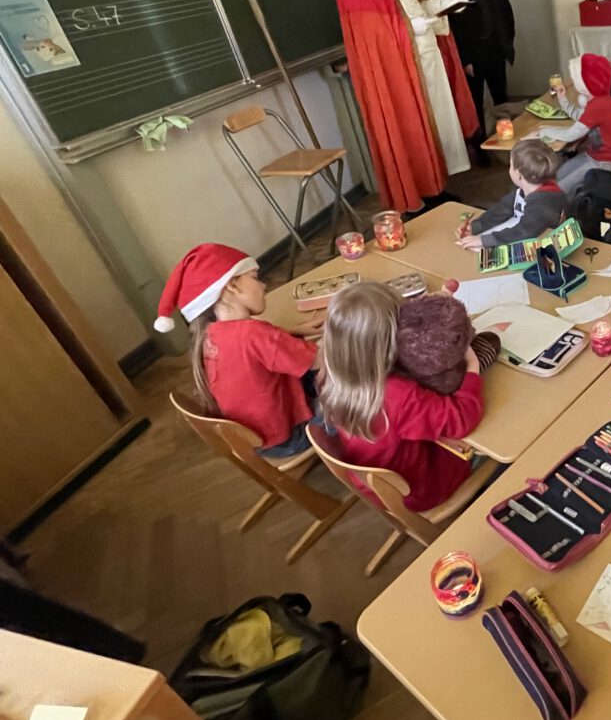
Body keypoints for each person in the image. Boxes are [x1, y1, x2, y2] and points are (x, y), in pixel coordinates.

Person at [337, 0, 475, 211]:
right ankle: (421, 196)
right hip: (399, 73)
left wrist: (440, 5)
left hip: (421, 61)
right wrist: (418, 26)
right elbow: (379, 37)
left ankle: (436, 185)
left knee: (434, 125)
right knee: (412, 129)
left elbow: (410, 6)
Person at [318, 282, 485, 512]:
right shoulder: (397, 394)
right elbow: (462, 419)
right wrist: (473, 367)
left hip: (383, 487)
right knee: (500, 448)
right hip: (423, 488)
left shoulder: (333, 373)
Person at [155, 244, 321, 458]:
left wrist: (290, 332)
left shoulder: (210, 335)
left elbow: (252, 348)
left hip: (260, 442)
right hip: (291, 438)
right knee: (355, 390)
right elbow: (322, 360)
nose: (263, 285)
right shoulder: (255, 335)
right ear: (231, 286)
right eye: (255, 278)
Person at [438, 0, 516, 162]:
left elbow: (505, 10)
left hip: (496, 48)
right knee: (474, 102)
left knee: (501, 97)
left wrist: (507, 40)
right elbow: (451, 26)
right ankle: (481, 148)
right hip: (472, 54)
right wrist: (465, 59)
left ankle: (506, 142)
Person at [455, 140, 565, 249]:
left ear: (518, 174)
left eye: (511, 165)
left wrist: (484, 240)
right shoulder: (523, 189)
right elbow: (503, 208)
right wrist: (476, 226)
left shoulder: (542, 205)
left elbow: (523, 231)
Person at [544, 53, 611, 198]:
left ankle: (570, 209)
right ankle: (575, 202)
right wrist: (563, 99)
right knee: (560, 174)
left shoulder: (599, 105)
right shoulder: (597, 99)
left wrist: (545, 131)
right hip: (593, 155)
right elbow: (580, 118)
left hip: (604, 162)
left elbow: (571, 135)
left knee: (560, 190)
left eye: (576, 79)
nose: (574, 82)